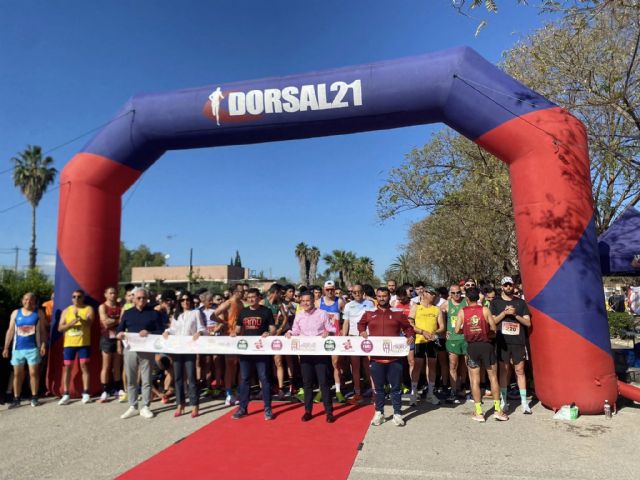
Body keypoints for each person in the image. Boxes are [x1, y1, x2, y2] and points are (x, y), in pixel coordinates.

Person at [359, 287, 415, 427]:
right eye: (379, 296)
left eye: (384, 296)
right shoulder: (369, 312)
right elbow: (360, 324)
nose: (382, 298)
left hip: (394, 358)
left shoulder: (398, 313)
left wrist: (410, 336)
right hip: (376, 358)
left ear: (389, 297)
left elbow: (408, 328)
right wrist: (362, 331)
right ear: (376, 297)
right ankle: (379, 413)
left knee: (396, 388)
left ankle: (397, 413)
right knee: (378, 388)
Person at [456, 287, 508, 422]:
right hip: (486, 346)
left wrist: (467, 331)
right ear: (478, 298)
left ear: (467, 299)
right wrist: (483, 332)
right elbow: (493, 329)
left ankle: (479, 412)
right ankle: (498, 410)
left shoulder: (462, 311)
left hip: (472, 347)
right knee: (493, 378)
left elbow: (456, 330)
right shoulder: (485, 310)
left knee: (474, 380)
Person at [287, 291, 336, 423]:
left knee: (324, 383)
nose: (305, 303)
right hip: (305, 354)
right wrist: (289, 333)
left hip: (320, 354)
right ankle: (308, 411)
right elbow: (295, 331)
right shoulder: (299, 316)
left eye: (308, 300)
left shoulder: (322, 313)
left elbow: (332, 329)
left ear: (313, 300)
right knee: (307, 383)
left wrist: (328, 332)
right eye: (303, 301)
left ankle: (329, 412)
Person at [117, 288, 164, 419]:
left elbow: (161, 330)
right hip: (130, 349)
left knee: (146, 379)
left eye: (144, 298)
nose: (141, 300)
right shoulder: (127, 313)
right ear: (133, 299)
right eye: (139, 298)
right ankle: (133, 406)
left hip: (147, 349)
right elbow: (120, 329)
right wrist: (119, 334)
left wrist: (150, 333)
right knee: (131, 379)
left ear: (147, 299)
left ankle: (145, 406)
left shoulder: (154, 313)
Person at [232, 288, 276, 420]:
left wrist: (269, 333)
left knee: (264, 378)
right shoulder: (243, 312)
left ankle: (267, 408)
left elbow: (273, 329)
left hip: (261, 350)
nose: (251, 299)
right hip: (246, 351)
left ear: (258, 298)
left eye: (253, 297)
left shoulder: (266, 311)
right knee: (245, 378)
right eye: (248, 297)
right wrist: (234, 333)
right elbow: (238, 329)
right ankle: (243, 408)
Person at [491, 276, 532, 414]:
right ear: (502, 287)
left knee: (520, 371)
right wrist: (504, 313)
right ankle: (504, 401)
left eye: (510, 285)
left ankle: (524, 403)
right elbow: (492, 321)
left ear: (513, 286)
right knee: (504, 371)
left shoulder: (520, 302)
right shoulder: (496, 302)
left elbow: (528, 323)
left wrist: (515, 315)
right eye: (505, 285)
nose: (508, 287)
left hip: (518, 341)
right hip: (502, 342)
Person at [163, 292, 207, 418]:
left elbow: (202, 328)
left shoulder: (196, 313)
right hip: (178, 349)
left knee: (191, 377)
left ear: (191, 301)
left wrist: (199, 333)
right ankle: (180, 404)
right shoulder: (177, 315)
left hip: (190, 349)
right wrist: (167, 331)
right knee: (178, 378)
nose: (185, 302)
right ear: (180, 302)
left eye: (187, 299)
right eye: (182, 300)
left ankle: (194, 405)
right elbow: (173, 329)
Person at [2, 292, 47, 408]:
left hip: (33, 348)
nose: (28, 301)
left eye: (31, 299)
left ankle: (34, 397)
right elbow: (10, 330)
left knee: (33, 373)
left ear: (34, 301)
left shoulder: (39, 313)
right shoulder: (15, 313)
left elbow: (43, 331)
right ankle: (16, 399)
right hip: (17, 349)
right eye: (26, 299)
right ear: (22, 300)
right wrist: (6, 347)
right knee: (17, 374)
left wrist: (43, 345)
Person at [408, 285, 445, 406]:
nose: (434, 296)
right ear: (425, 293)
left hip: (432, 341)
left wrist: (435, 333)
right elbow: (410, 323)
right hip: (419, 340)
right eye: (432, 293)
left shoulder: (437, 309)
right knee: (417, 365)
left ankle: (430, 393)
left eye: (435, 294)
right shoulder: (416, 307)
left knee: (432, 366)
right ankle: (413, 393)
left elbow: (442, 327)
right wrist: (422, 332)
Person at [58, 289, 94, 405]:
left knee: (84, 367)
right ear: (71, 298)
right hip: (69, 344)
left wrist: (81, 319)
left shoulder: (88, 309)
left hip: (83, 344)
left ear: (83, 298)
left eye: (79, 297)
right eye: (74, 297)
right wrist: (71, 323)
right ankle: (66, 394)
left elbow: (89, 324)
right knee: (68, 368)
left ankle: (86, 393)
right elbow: (60, 328)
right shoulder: (66, 310)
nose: (76, 299)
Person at [342, 283, 375, 404]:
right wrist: (344, 337)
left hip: (367, 338)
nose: (357, 294)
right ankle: (357, 394)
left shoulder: (370, 303)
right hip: (353, 338)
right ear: (352, 293)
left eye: (359, 292)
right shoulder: (348, 305)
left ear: (363, 292)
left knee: (369, 366)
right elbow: (346, 323)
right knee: (355, 367)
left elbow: (373, 320)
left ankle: (374, 393)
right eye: (354, 292)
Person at [214, 283, 244, 406]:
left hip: (241, 337)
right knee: (229, 366)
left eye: (243, 291)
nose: (243, 293)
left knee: (238, 365)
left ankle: (238, 391)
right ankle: (228, 394)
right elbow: (213, 314)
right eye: (241, 291)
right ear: (235, 292)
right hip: (230, 337)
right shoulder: (228, 303)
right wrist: (224, 323)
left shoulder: (241, 303)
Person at [316, 280, 346, 402]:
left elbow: (347, 317)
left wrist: (343, 330)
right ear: (324, 290)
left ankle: (338, 390)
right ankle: (321, 390)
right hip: (322, 338)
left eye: (332, 289)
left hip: (336, 337)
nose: (330, 291)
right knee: (321, 365)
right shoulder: (318, 302)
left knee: (336, 363)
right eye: (328, 289)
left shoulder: (340, 301)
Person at [442, 283, 468, 403]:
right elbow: (437, 315)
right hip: (452, 339)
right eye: (453, 293)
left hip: (465, 338)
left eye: (458, 292)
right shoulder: (447, 304)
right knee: (453, 365)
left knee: (465, 364)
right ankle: (453, 391)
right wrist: (444, 330)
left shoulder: (466, 301)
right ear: (450, 293)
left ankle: (462, 387)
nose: (456, 295)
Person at [98, 287, 122, 402]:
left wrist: (112, 320)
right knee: (106, 366)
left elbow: (122, 321)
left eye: (115, 293)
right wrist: (117, 320)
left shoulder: (120, 307)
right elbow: (106, 323)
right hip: (106, 338)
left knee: (117, 366)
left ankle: (118, 389)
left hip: (118, 339)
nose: (113, 295)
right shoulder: (102, 307)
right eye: (110, 293)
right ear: (105, 295)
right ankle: (105, 390)